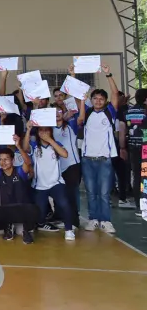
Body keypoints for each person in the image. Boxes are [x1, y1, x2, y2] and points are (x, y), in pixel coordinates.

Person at [75, 63, 119, 233]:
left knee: (104, 193)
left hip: (105, 159)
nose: (98, 101)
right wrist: (73, 76)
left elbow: (115, 93)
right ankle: (93, 219)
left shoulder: (110, 112)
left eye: (101, 99)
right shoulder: (87, 112)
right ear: (91, 100)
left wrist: (108, 74)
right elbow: (79, 116)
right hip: (87, 159)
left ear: (105, 101)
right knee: (91, 192)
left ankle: (106, 221)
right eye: (95, 98)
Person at [0, 133, 40, 243]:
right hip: (7, 209)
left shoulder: (20, 171)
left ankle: (25, 230)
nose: (3, 162)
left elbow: (28, 162)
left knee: (30, 216)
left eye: (6, 159)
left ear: (13, 160)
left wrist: (18, 146)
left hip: (22, 209)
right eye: (0, 159)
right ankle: (9, 226)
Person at [22, 122, 74, 240]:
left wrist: (50, 140)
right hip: (39, 185)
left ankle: (69, 230)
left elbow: (65, 154)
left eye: (47, 130)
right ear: (38, 133)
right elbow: (25, 148)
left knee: (64, 204)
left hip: (56, 182)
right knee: (40, 212)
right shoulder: (34, 145)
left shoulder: (56, 144)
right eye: (41, 130)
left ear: (51, 131)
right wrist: (28, 130)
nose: (44, 133)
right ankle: (41, 223)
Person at [124, 88, 146, 215]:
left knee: (137, 176)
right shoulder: (145, 112)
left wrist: (122, 147)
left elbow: (123, 130)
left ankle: (139, 206)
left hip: (133, 148)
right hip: (145, 148)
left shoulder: (128, 112)